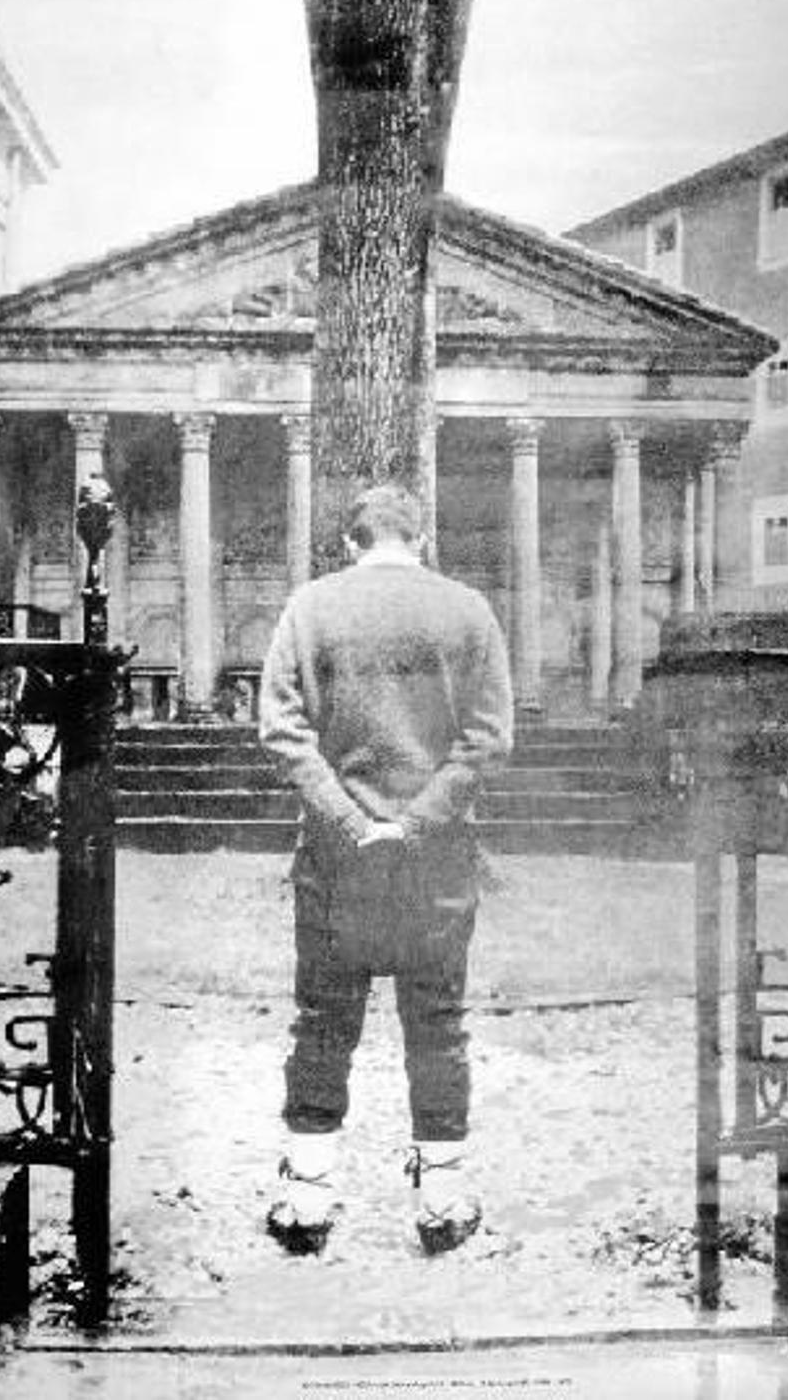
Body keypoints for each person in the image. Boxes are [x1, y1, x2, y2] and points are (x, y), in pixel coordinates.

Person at [258, 483, 514, 1256]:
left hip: (337, 861)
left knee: (322, 1022)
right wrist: (415, 821)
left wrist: (349, 820)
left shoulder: (311, 607)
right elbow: (489, 737)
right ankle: (441, 1202)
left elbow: (281, 727)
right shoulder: (468, 611)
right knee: (437, 1025)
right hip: (435, 861)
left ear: (349, 543)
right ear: (422, 539)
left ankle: (306, 1204)